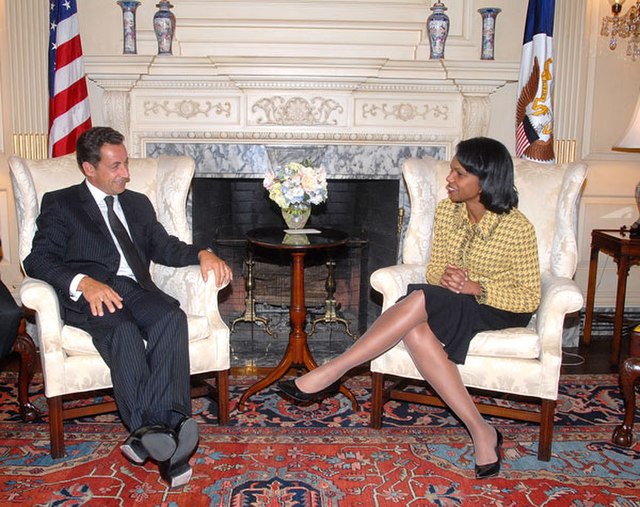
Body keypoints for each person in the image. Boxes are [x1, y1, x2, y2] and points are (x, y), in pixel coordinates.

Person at [277, 137, 541, 479]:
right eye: (452, 171)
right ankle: (482, 431)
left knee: (419, 299)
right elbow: (433, 270)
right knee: (416, 328)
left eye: (459, 174)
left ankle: (333, 370)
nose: (449, 179)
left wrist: (476, 286)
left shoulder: (516, 227)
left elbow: (528, 296)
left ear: (485, 180)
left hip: (498, 306)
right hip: (455, 299)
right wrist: (450, 277)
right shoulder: (449, 210)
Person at [23, 126, 233, 488]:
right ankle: (166, 444)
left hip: (133, 288)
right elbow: (37, 259)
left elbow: (163, 245)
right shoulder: (62, 202)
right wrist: (82, 283)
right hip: (91, 293)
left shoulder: (136, 202)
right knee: (123, 332)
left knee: (171, 317)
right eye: (115, 166)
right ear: (90, 168)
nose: (126, 173)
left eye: (126, 164)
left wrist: (201, 252)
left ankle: (156, 429)